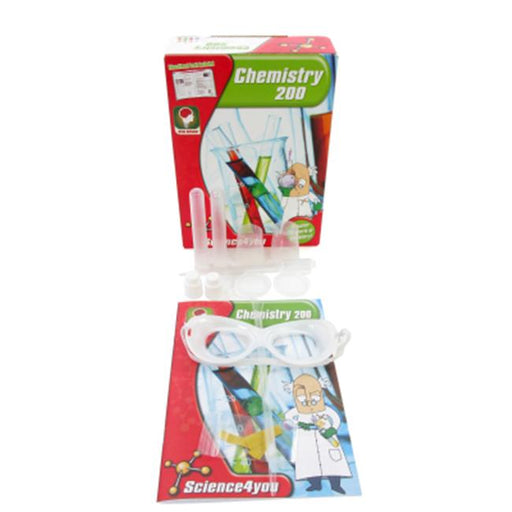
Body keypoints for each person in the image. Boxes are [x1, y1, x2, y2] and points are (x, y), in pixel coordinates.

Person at [284, 374, 351, 493]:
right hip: (307, 440)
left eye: (313, 396)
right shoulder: (297, 411)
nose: (308, 401)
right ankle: (315, 485)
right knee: (311, 465)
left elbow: (336, 419)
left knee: (332, 464)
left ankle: (336, 485)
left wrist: (331, 430)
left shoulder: (326, 410)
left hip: (325, 439)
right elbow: (288, 418)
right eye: (302, 398)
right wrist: (291, 424)